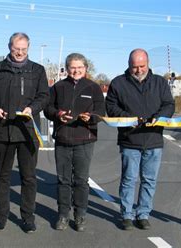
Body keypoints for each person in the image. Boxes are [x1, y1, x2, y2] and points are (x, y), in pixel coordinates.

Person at [0, 32, 49, 233]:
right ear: (9, 47)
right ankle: (1, 215)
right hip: (3, 131)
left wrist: (33, 109)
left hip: (28, 132)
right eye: (15, 49)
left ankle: (28, 217)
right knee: (2, 176)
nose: (19, 53)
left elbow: (44, 96)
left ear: (28, 48)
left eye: (23, 49)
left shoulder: (38, 70)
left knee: (28, 177)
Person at [105, 48, 175, 230]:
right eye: (134, 67)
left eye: (141, 66)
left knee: (149, 180)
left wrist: (160, 116)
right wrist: (128, 119)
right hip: (130, 140)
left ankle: (143, 214)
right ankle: (126, 214)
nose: (138, 70)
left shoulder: (160, 83)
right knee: (129, 179)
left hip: (154, 140)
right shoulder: (118, 83)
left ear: (148, 63)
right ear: (128, 65)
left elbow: (169, 104)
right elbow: (111, 107)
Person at [44, 53, 105, 232]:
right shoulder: (58, 87)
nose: (76, 70)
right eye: (72, 67)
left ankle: (80, 216)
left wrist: (91, 117)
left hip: (85, 140)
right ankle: (63, 214)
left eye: (79, 67)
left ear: (86, 68)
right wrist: (58, 114)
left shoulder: (93, 88)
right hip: (62, 139)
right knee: (63, 180)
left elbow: (101, 111)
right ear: (67, 68)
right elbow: (48, 108)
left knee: (81, 180)